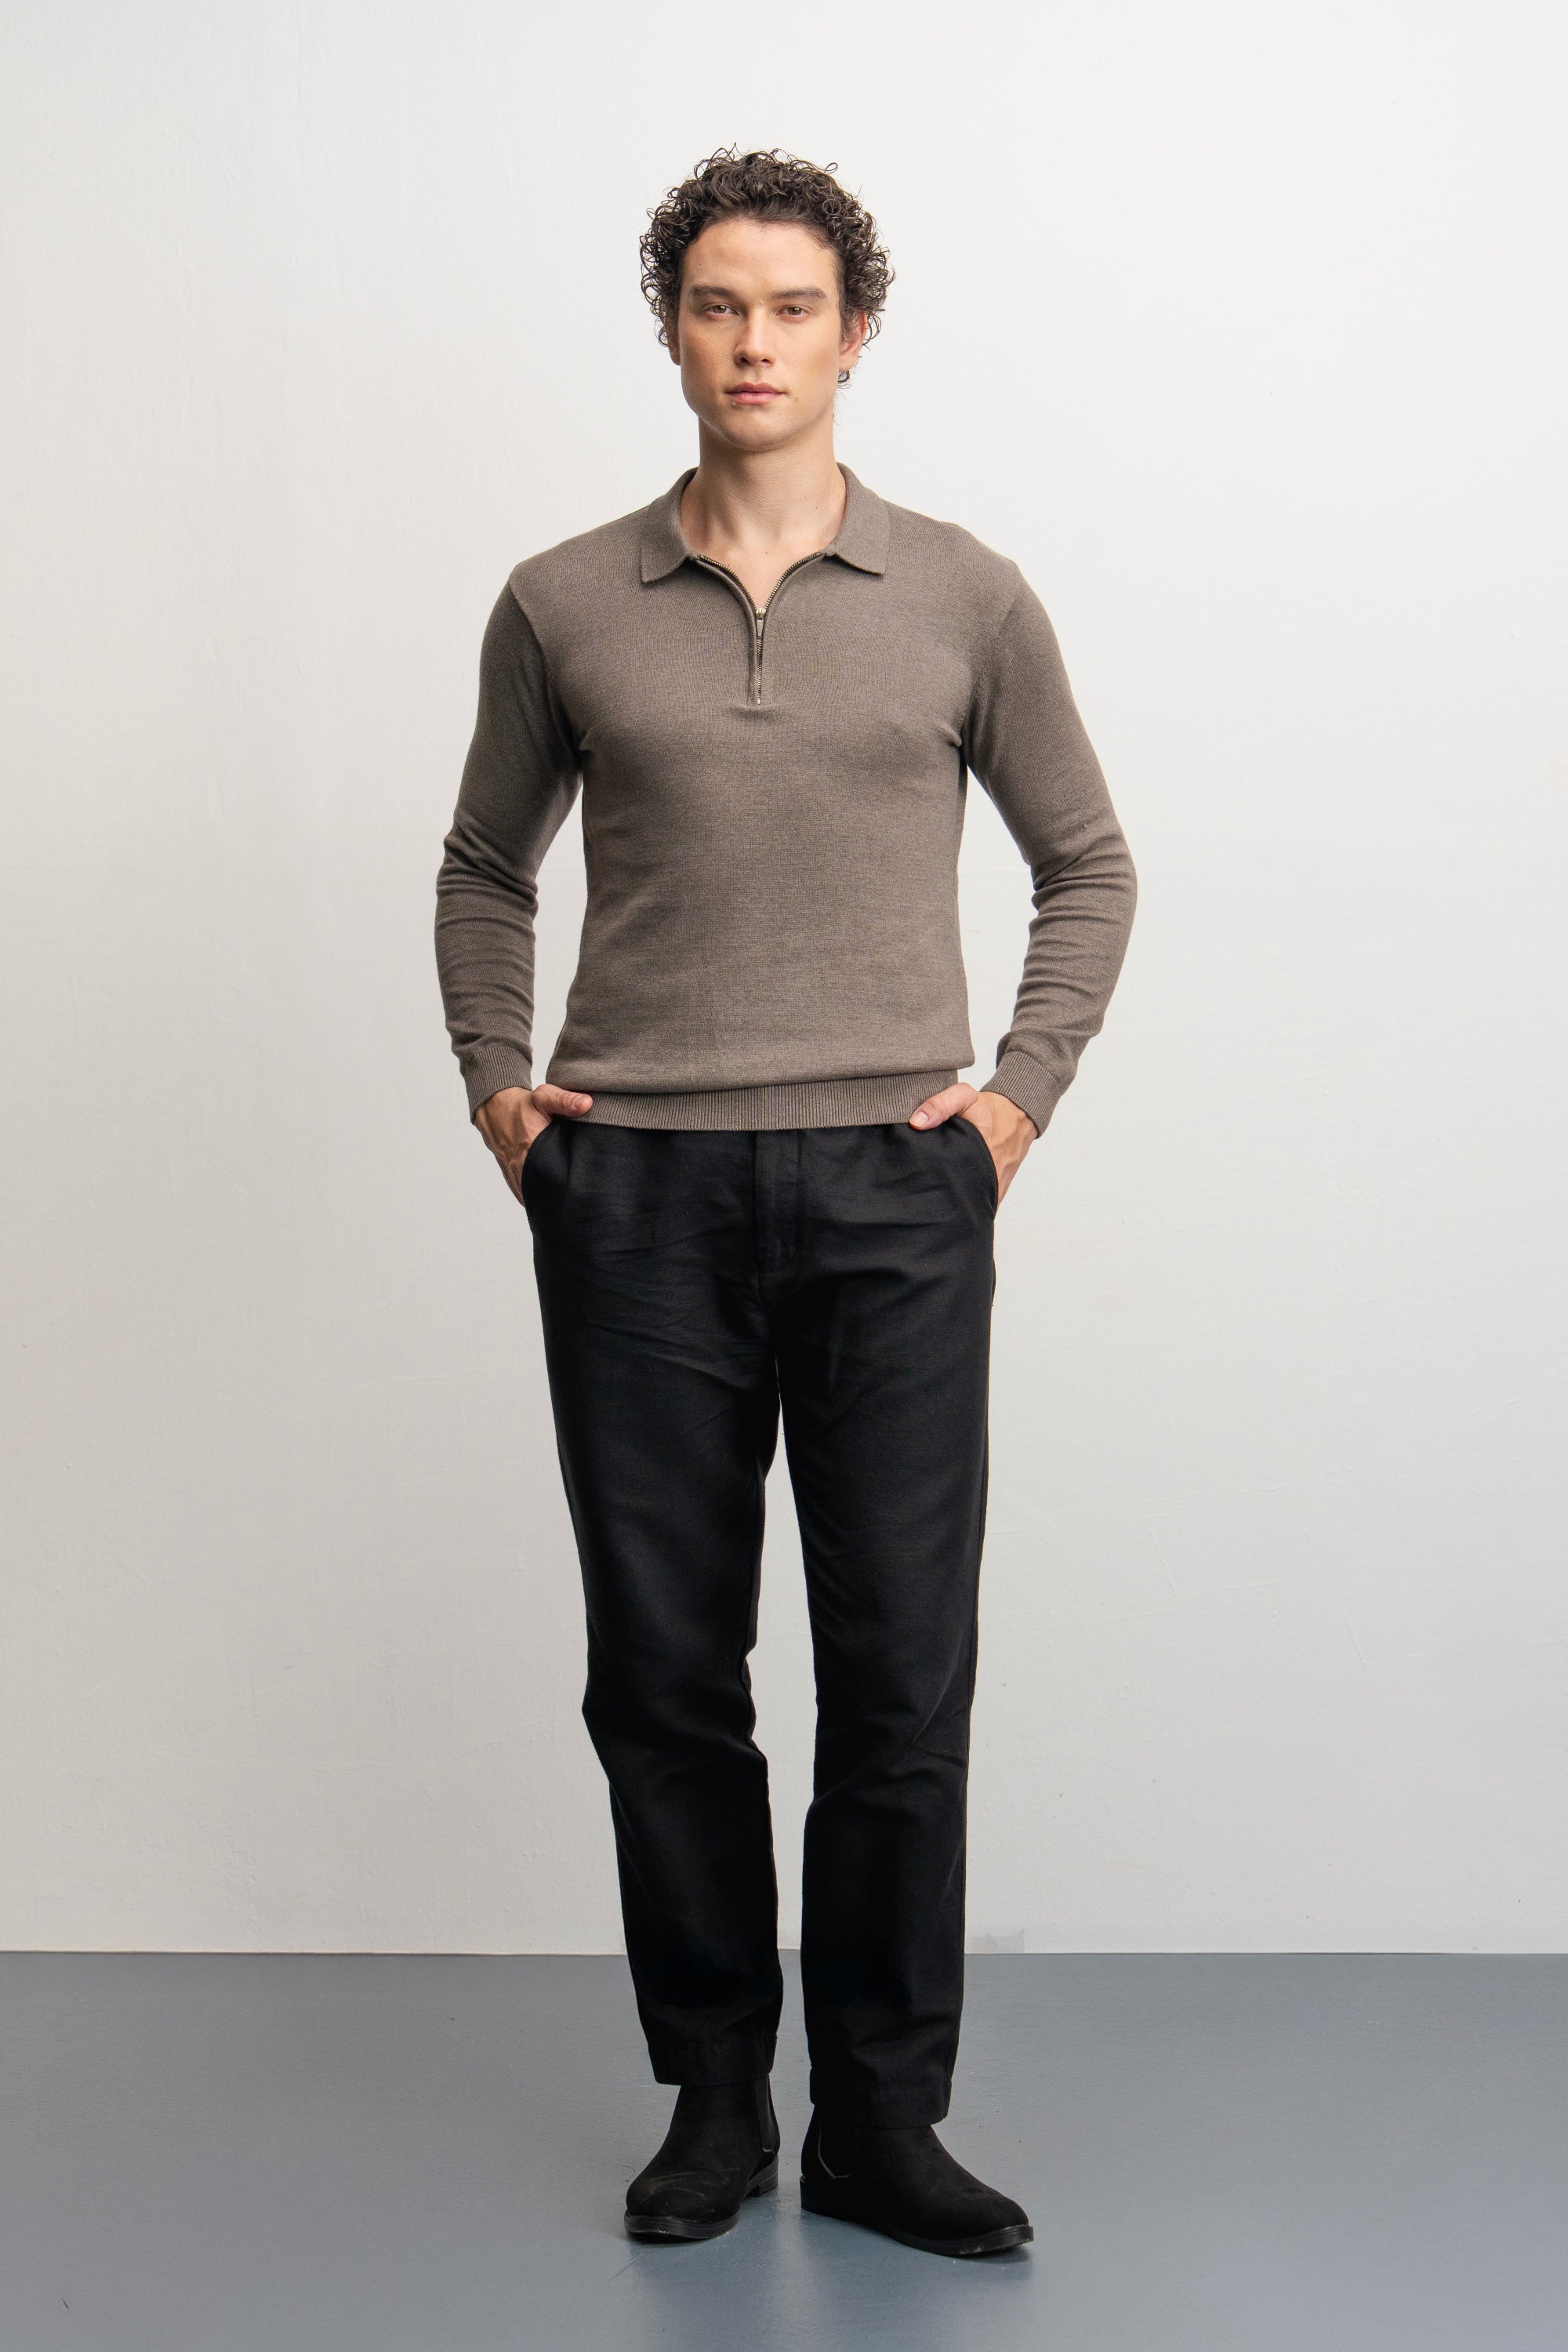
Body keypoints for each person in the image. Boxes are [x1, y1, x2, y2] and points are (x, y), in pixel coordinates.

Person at [434, 147, 1136, 2259]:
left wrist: (1009, 1108)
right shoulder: (565, 600)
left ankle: (882, 2122)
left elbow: (1089, 865)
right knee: (666, 1671)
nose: (755, 342)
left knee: (901, 1675)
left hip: (892, 1195)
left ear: (855, 334)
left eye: (794, 307)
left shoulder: (965, 596)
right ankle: (721, 2097)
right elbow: (483, 868)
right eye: (717, 304)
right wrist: (505, 1096)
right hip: (635, 1195)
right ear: (671, 329)